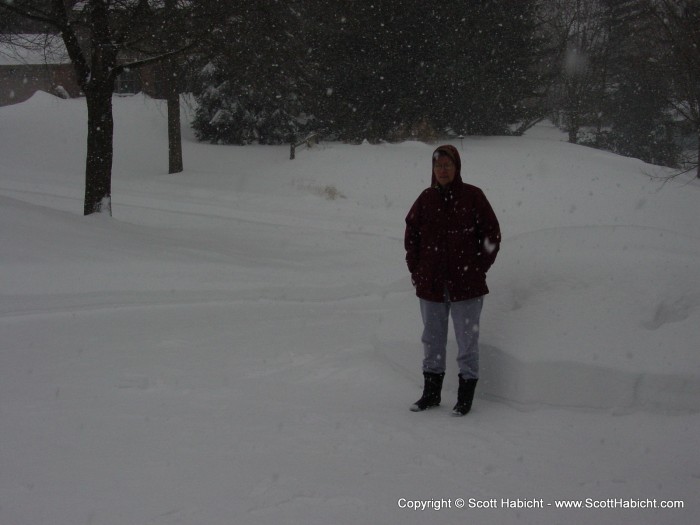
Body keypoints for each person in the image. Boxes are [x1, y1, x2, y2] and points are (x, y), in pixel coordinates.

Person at [404, 145, 500, 416]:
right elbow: (411, 237)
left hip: (466, 286)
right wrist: (417, 270)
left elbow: (492, 235)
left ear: (456, 168)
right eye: (438, 166)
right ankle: (431, 394)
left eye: (447, 165)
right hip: (431, 284)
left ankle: (464, 398)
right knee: (432, 340)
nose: (442, 170)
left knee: (466, 342)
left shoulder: (473, 196)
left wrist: (479, 268)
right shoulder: (425, 199)